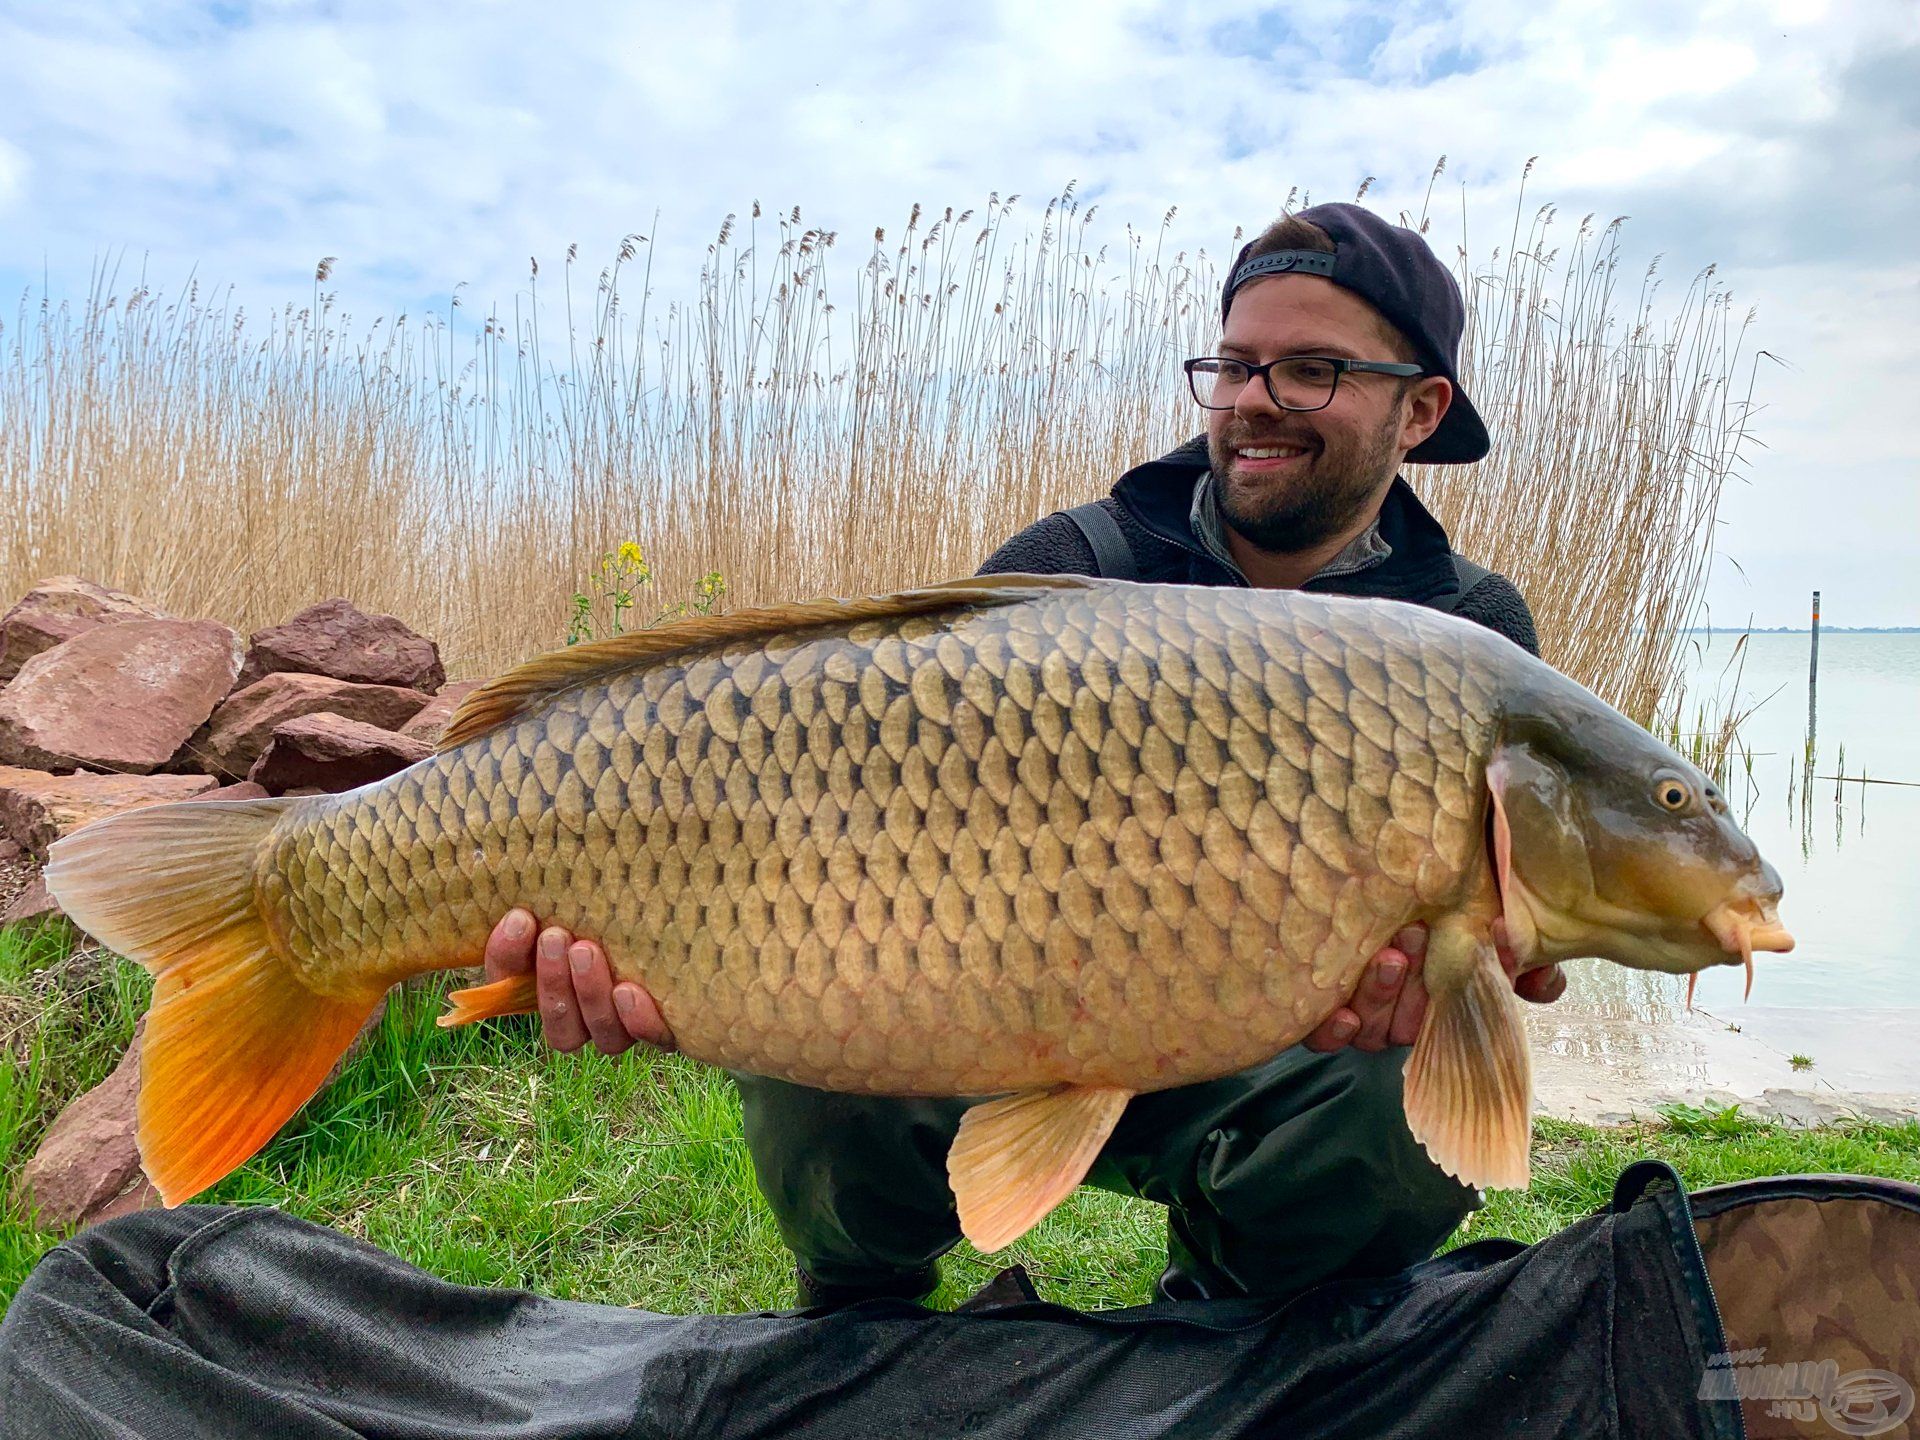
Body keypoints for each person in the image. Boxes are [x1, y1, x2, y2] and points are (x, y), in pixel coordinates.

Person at [483, 202, 1564, 1310]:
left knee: (1398, 1110)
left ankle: (1243, 1320)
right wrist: (688, 955)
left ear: (1421, 407)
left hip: (1267, 1063)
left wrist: (1483, 966)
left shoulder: (1473, 634)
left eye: (1313, 370)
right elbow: (853, 828)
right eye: (1235, 366)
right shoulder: (1069, 564)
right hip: (983, 1019)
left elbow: (1510, 949)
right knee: (821, 1044)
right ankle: (861, 1308)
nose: (1253, 403)